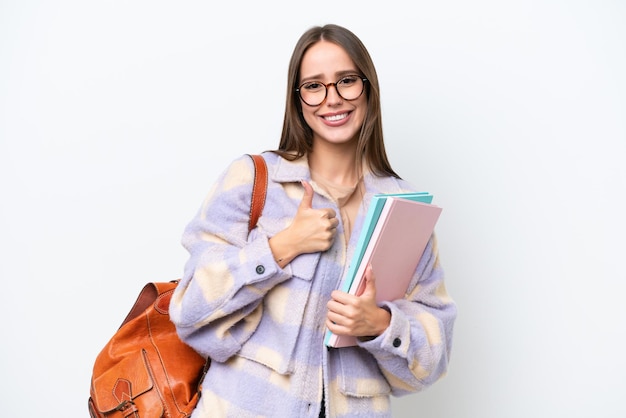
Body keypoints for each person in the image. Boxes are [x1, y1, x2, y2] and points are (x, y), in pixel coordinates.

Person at [169, 23, 457, 418]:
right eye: (314, 86)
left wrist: (378, 324)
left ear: (368, 89)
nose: (332, 99)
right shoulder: (254, 180)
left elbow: (433, 359)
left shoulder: (403, 208)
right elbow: (189, 313)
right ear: (298, 99)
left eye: (347, 81)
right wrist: (281, 247)